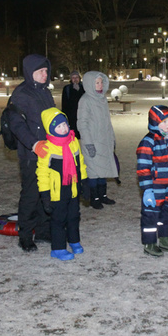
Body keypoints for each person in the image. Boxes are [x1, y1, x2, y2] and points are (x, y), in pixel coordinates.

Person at [7, 54, 55, 252]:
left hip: (50, 152)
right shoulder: (21, 94)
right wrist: (33, 144)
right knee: (31, 195)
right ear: (30, 73)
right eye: (40, 71)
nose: (45, 75)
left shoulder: (45, 92)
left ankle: (43, 231)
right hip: (31, 155)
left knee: (47, 193)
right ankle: (25, 235)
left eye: (46, 71)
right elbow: (16, 124)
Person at [37, 108, 87, 261]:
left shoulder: (74, 142)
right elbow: (42, 173)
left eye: (64, 124)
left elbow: (81, 164)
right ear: (51, 129)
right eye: (58, 126)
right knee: (58, 219)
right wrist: (45, 195)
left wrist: (84, 183)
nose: (64, 128)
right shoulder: (46, 147)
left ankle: (74, 240)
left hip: (72, 188)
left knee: (73, 216)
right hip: (56, 191)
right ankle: (58, 248)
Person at [136, 105, 168, 256]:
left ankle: (165, 239)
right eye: (164, 122)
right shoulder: (148, 142)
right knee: (151, 216)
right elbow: (143, 168)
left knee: (167, 214)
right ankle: (149, 243)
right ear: (154, 122)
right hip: (155, 188)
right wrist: (147, 190)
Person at [77, 71, 119, 209]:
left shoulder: (102, 99)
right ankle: (94, 198)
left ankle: (103, 195)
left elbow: (108, 121)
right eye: (97, 82)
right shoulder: (85, 100)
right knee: (93, 171)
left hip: (104, 140)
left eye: (101, 82)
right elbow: (82, 123)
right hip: (93, 142)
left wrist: (112, 138)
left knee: (104, 169)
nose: (100, 85)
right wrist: (88, 143)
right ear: (90, 84)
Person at [61, 71, 85, 138]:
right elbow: (64, 103)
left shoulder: (84, 88)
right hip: (71, 116)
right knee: (73, 135)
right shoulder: (67, 88)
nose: (75, 79)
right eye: (73, 77)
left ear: (79, 78)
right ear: (71, 79)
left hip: (82, 114)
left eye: (76, 77)